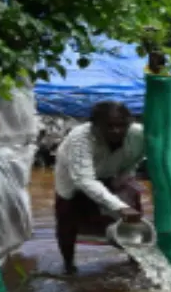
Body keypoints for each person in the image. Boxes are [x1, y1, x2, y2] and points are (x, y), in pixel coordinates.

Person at [54, 101, 146, 275]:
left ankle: (136, 260)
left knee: (134, 217)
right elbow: (84, 180)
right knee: (67, 218)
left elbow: (141, 155)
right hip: (73, 178)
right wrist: (120, 207)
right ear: (95, 125)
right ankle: (68, 265)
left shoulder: (139, 134)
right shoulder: (80, 138)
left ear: (129, 123)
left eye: (121, 126)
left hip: (115, 171)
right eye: (109, 126)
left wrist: (125, 176)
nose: (116, 131)